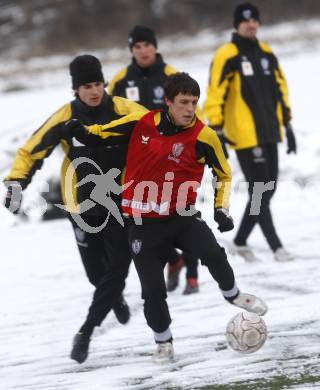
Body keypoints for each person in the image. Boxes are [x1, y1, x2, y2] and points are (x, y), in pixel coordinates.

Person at [64, 72, 268, 362]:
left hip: (182, 216)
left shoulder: (203, 135)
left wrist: (221, 209)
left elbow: (223, 173)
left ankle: (233, 294)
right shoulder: (143, 122)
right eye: (183, 102)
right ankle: (163, 342)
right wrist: (84, 132)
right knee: (153, 292)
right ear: (167, 102)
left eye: (194, 102)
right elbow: (104, 130)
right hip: (142, 224)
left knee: (213, 253)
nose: (189, 109)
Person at [3, 54, 148, 364]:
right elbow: (32, 150)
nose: (94, 91)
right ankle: (114, 299)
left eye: (98, 84)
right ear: (75, 90)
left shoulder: (126, 110)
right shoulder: (65, 117)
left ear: (104, 84)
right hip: (80, 203)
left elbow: (160, 131)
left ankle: (85, 332)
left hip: (120, 202)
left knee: (117, 269)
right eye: (86, 86)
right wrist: (16, 183)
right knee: (96, 273)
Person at [109, 24, 200, 295]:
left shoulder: (173, 76)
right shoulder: (121, 81)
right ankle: (173, 260)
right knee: (144, 219)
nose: (143, 50)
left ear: (155, 46)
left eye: (147, 45)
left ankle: (192, 277)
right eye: (137, 46)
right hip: (141, 163)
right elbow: (111, 117)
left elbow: (193, 110)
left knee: (184, 213)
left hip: (176, 157)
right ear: (131, 50)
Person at [203, 2, 297, 263]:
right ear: (237, 25)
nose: (250, 24)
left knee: (269, 189)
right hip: (244, 135)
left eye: (254, 20)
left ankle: (241, 240)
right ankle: (276, 247)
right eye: (245, 21)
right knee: (260, 190)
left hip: (269, 132)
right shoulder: (227, 54)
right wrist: (217, 128)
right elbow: (215, 93)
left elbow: (281, 89)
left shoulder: (267, 53)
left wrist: (287, 125)